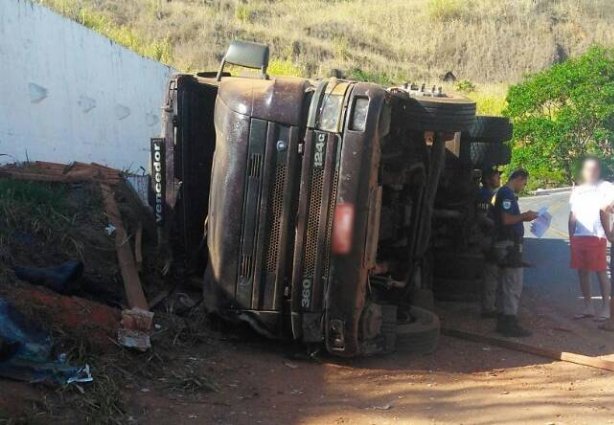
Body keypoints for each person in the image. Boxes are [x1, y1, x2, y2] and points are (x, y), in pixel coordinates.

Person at [493, 169, 538, 337]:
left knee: (506, 284)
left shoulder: (505, 193)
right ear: (518, 179)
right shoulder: (506, 194)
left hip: (508, 244)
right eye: (524, 183)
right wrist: (525, 216)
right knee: (513, 284)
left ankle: (503, 320)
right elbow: (506, 219)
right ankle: (509, 322)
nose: (523, 186)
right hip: (509, 245)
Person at [568, 157, 613, 321]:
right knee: (582, 272)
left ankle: (606, 308)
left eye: (593, 168)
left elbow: (609, 209)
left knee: (601, 271)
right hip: (579, 236)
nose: (590, 172)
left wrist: (608, 233)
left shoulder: (606, 187)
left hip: (597, 235)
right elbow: (573, 215)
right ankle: (588, 307)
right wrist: (571, 236)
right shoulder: (578, 190)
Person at [478, 168, 501, 318]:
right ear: (487, 180)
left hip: (492, 237)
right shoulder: (485, 195)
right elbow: (481, 217)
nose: (498, 178)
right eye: (496, 176)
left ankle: (491, 304)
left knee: (494, 273)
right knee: (491, 273)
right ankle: (488, 307)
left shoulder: (492, 195)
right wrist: (498, 225)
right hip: (488, 237)